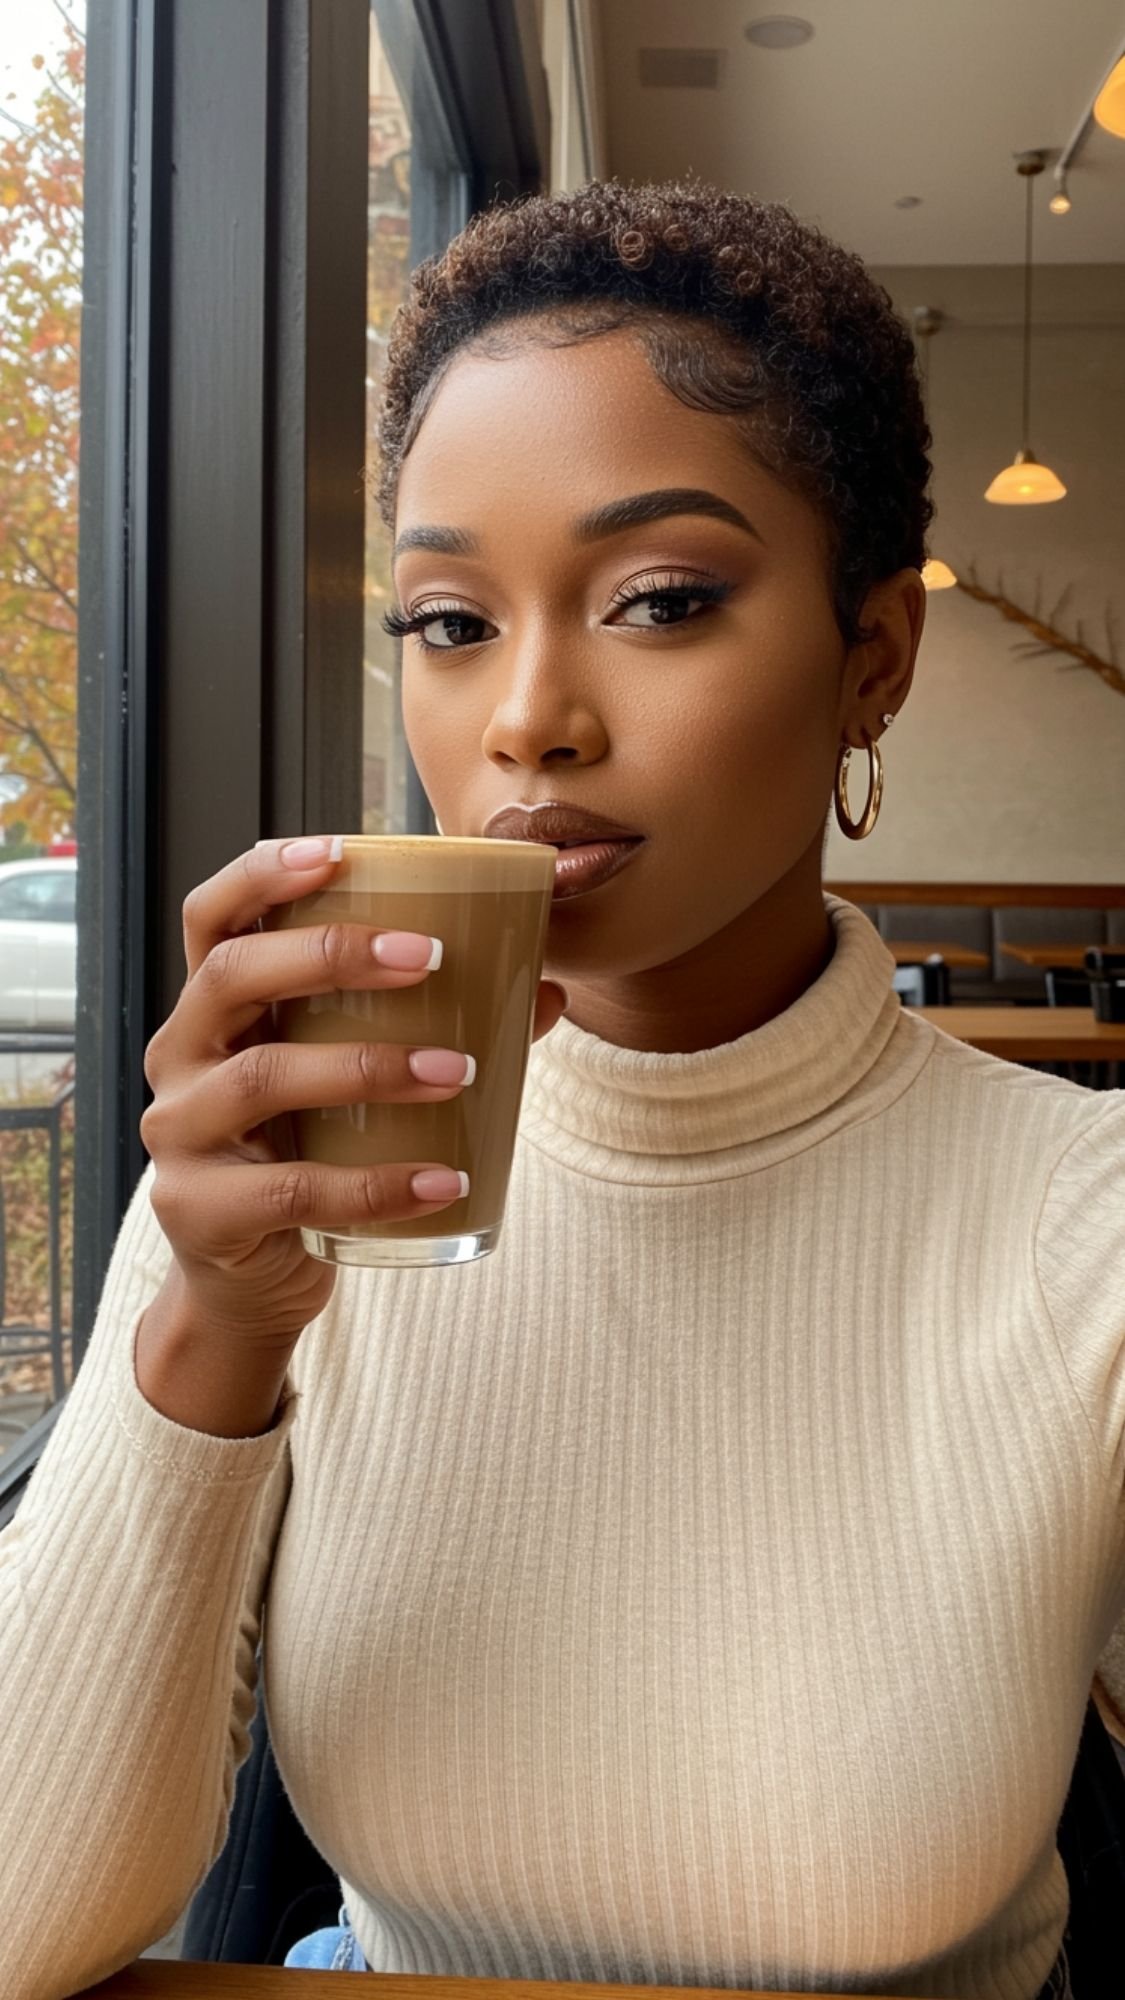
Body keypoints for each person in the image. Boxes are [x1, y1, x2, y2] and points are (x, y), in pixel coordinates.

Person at [0, 174, 1121, 2000]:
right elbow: (18, 1922)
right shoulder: (290, 1173)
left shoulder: (1081, 1225)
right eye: (447, 622)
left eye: (659, 599)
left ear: (871, 662)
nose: (527, 717)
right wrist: (212, 1328)